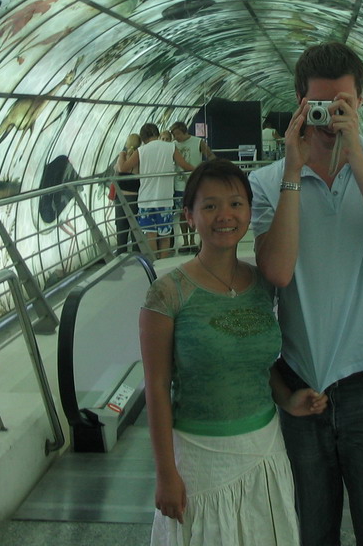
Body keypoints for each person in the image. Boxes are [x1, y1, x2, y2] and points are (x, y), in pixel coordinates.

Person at [249, 43, 363, 546]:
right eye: (320, 107)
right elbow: (278, 271)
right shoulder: (268, 181)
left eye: (342, 106)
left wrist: (358, 158)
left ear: (361, 102)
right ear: (300, 104)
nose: (330, 119)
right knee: (312, 531)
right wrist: (293, 172)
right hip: (304, 387)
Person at [140, 158, 327, 546]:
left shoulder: (262, 283)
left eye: (236, 204)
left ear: (249, 211)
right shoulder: (167, 293)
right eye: (209, 206)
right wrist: (165, 474)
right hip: (200, 460)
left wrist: (288, 399)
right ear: (189, 215)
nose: (224, 215)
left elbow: (257, 361)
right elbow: (156, 387)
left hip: (264, 451)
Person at [117, 123, 193, 259]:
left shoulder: (141, 151)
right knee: (164, 234)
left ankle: (155, 262)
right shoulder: (170, 147)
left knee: (150, 234)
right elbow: (184, 165)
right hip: (165, 199)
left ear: (143, 137)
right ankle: (163, 262)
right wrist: (200, 169)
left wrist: (122, 154)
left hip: (146, 200)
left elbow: (123, 168)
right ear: (157, 134)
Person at [169, 122, 214, 253]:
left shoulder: (198, 142)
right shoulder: (173, 145)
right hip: (179, 184)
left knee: (195, 212)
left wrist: (213, 167)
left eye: (177, 133)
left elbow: (209, 154)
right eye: (174, 134)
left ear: (184, 131)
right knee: (183, 214)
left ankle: (194, 240)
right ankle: (186, 241)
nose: (176, 137)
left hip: (195, 183)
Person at [113, 132, 141, 252]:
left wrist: (121, 155)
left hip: (121, 196)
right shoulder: (140, 155)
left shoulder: (123, 156)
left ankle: (121, 253)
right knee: (135, 226)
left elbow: (118, 168)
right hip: (135, 196)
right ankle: (136, 252)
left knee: (121, 226)